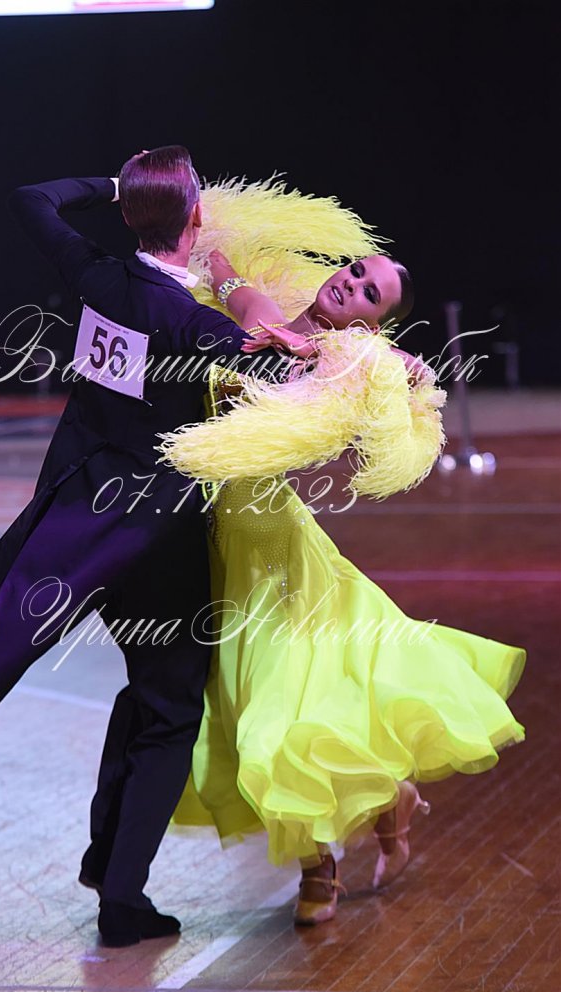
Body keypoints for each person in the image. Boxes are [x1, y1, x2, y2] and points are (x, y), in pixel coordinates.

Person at [0, 147, 291, 948]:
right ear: (197, 218)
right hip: (157, 541)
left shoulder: (98, 278)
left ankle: (111, 872)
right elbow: (271, 364)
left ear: (128, 213)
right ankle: (121, 894)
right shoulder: (190, 320)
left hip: (82, 530)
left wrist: (115, 186)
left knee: (144, 696)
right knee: (170, 709)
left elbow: (29, 196)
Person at [158, 218, 526, 927]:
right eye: (356, 271)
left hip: (272, 555)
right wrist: (205, 244)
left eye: (369, 293)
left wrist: (401, 371)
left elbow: (396, 379)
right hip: (209, 540)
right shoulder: (269, 313)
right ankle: (393, 804)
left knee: (275, 717)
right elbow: (230, 280)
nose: (351, 284)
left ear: (373, 322)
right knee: (257, 709)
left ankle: (317, 866)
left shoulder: (351, 359)